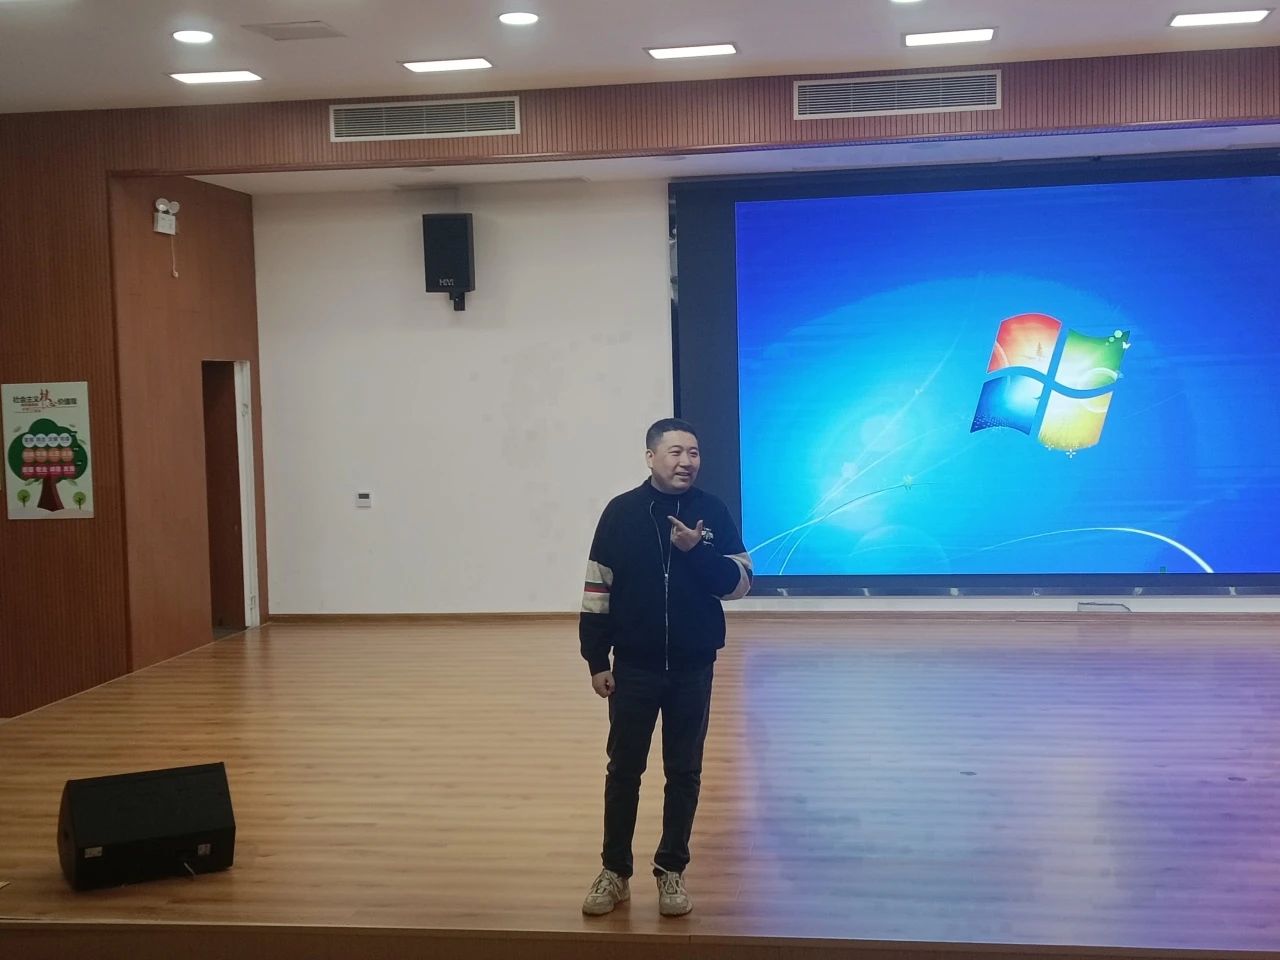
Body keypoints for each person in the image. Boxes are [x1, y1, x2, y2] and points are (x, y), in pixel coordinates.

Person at [578, 418, 752, 917]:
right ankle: (615, 872)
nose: (686, 461)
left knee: (684, 771)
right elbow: (597, 590)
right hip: (634, 667)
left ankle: (671, 869)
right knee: (623, 770)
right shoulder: (621, 513)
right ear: (651, 457)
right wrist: (596, 659)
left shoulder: (712, 510)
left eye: (693, 452)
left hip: (693, 667)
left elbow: (740, 584)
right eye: (675, 451)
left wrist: (697, 553)